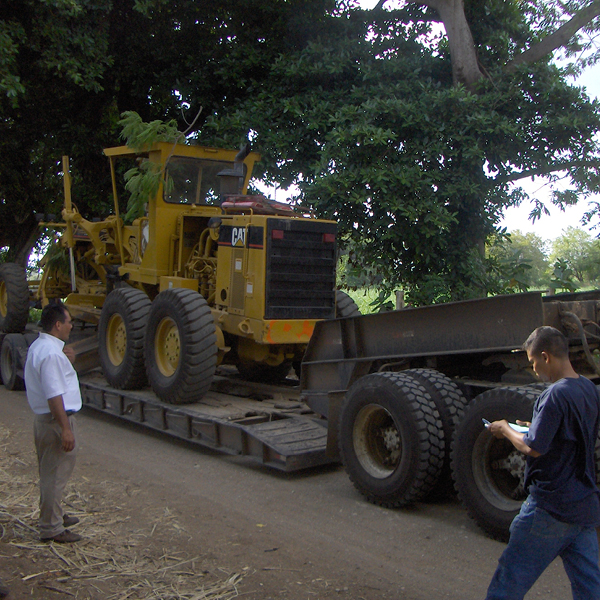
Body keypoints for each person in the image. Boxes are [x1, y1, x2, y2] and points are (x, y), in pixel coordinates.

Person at [485, 326, 600, 600]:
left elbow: (533, 448)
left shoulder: (553, 395)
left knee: (508, 582)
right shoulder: (588, 388)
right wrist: (535, 426)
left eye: (533, 362)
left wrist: (505, 429)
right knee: (589, 588)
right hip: (583, 508)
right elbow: (571, 432)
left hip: (550, 508)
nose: (534, 369)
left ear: (546, 357)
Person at [24, 301, 82, 543]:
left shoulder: (42, 347)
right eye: (68, 321)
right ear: (58, 325)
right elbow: (54, 394)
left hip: (47, 421)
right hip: (55, 421)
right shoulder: (50, 354)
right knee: (54, 475)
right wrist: (65, 428)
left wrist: (69, 360)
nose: (71, 325)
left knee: (51, 472)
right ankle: (51, 527)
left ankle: (53, 513)